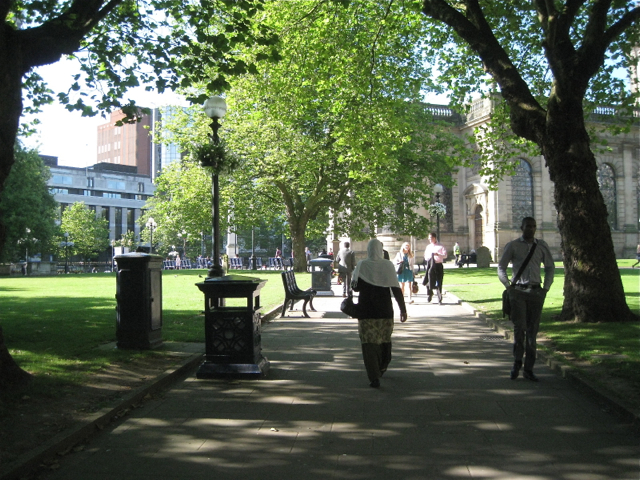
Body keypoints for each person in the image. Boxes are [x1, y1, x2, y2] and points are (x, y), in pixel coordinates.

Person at [498, 217, 555, 382]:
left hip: (536, 292)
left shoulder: (542, 246)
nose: (531, 229)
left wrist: (546, 288)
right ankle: (517, 362)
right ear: (521, 227)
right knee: (520, 328)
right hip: (519, 292)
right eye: (528, 226)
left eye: (534, 226)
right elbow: (501, 267)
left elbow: (550, 267)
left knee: (532, 331)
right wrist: (508, 286)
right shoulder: (513, 245)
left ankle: (529, 368)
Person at [351, 239, 407, 388]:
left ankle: (373, 376)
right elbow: (396, 289)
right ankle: (382, 365)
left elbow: (355, 288)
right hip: (384, 311)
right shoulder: (388, 265)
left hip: (366, 311)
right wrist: (403, 309)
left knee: (368, 344)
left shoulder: (362, 265)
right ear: (380, 250)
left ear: (369, 250)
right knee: (384, 340)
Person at [422, 232, 447, 304]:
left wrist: (438, 254)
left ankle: (439, 298)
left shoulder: (441, 246)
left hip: (438, 265)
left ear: (434, 238)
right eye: (429, 238)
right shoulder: (428, 247)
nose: (430, 239)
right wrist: (428, 258)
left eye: (431, 238)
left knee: (439, 281)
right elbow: (425, 255)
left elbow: (445, 255)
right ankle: (430, 293)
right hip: (430, 265)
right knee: (428, 280)